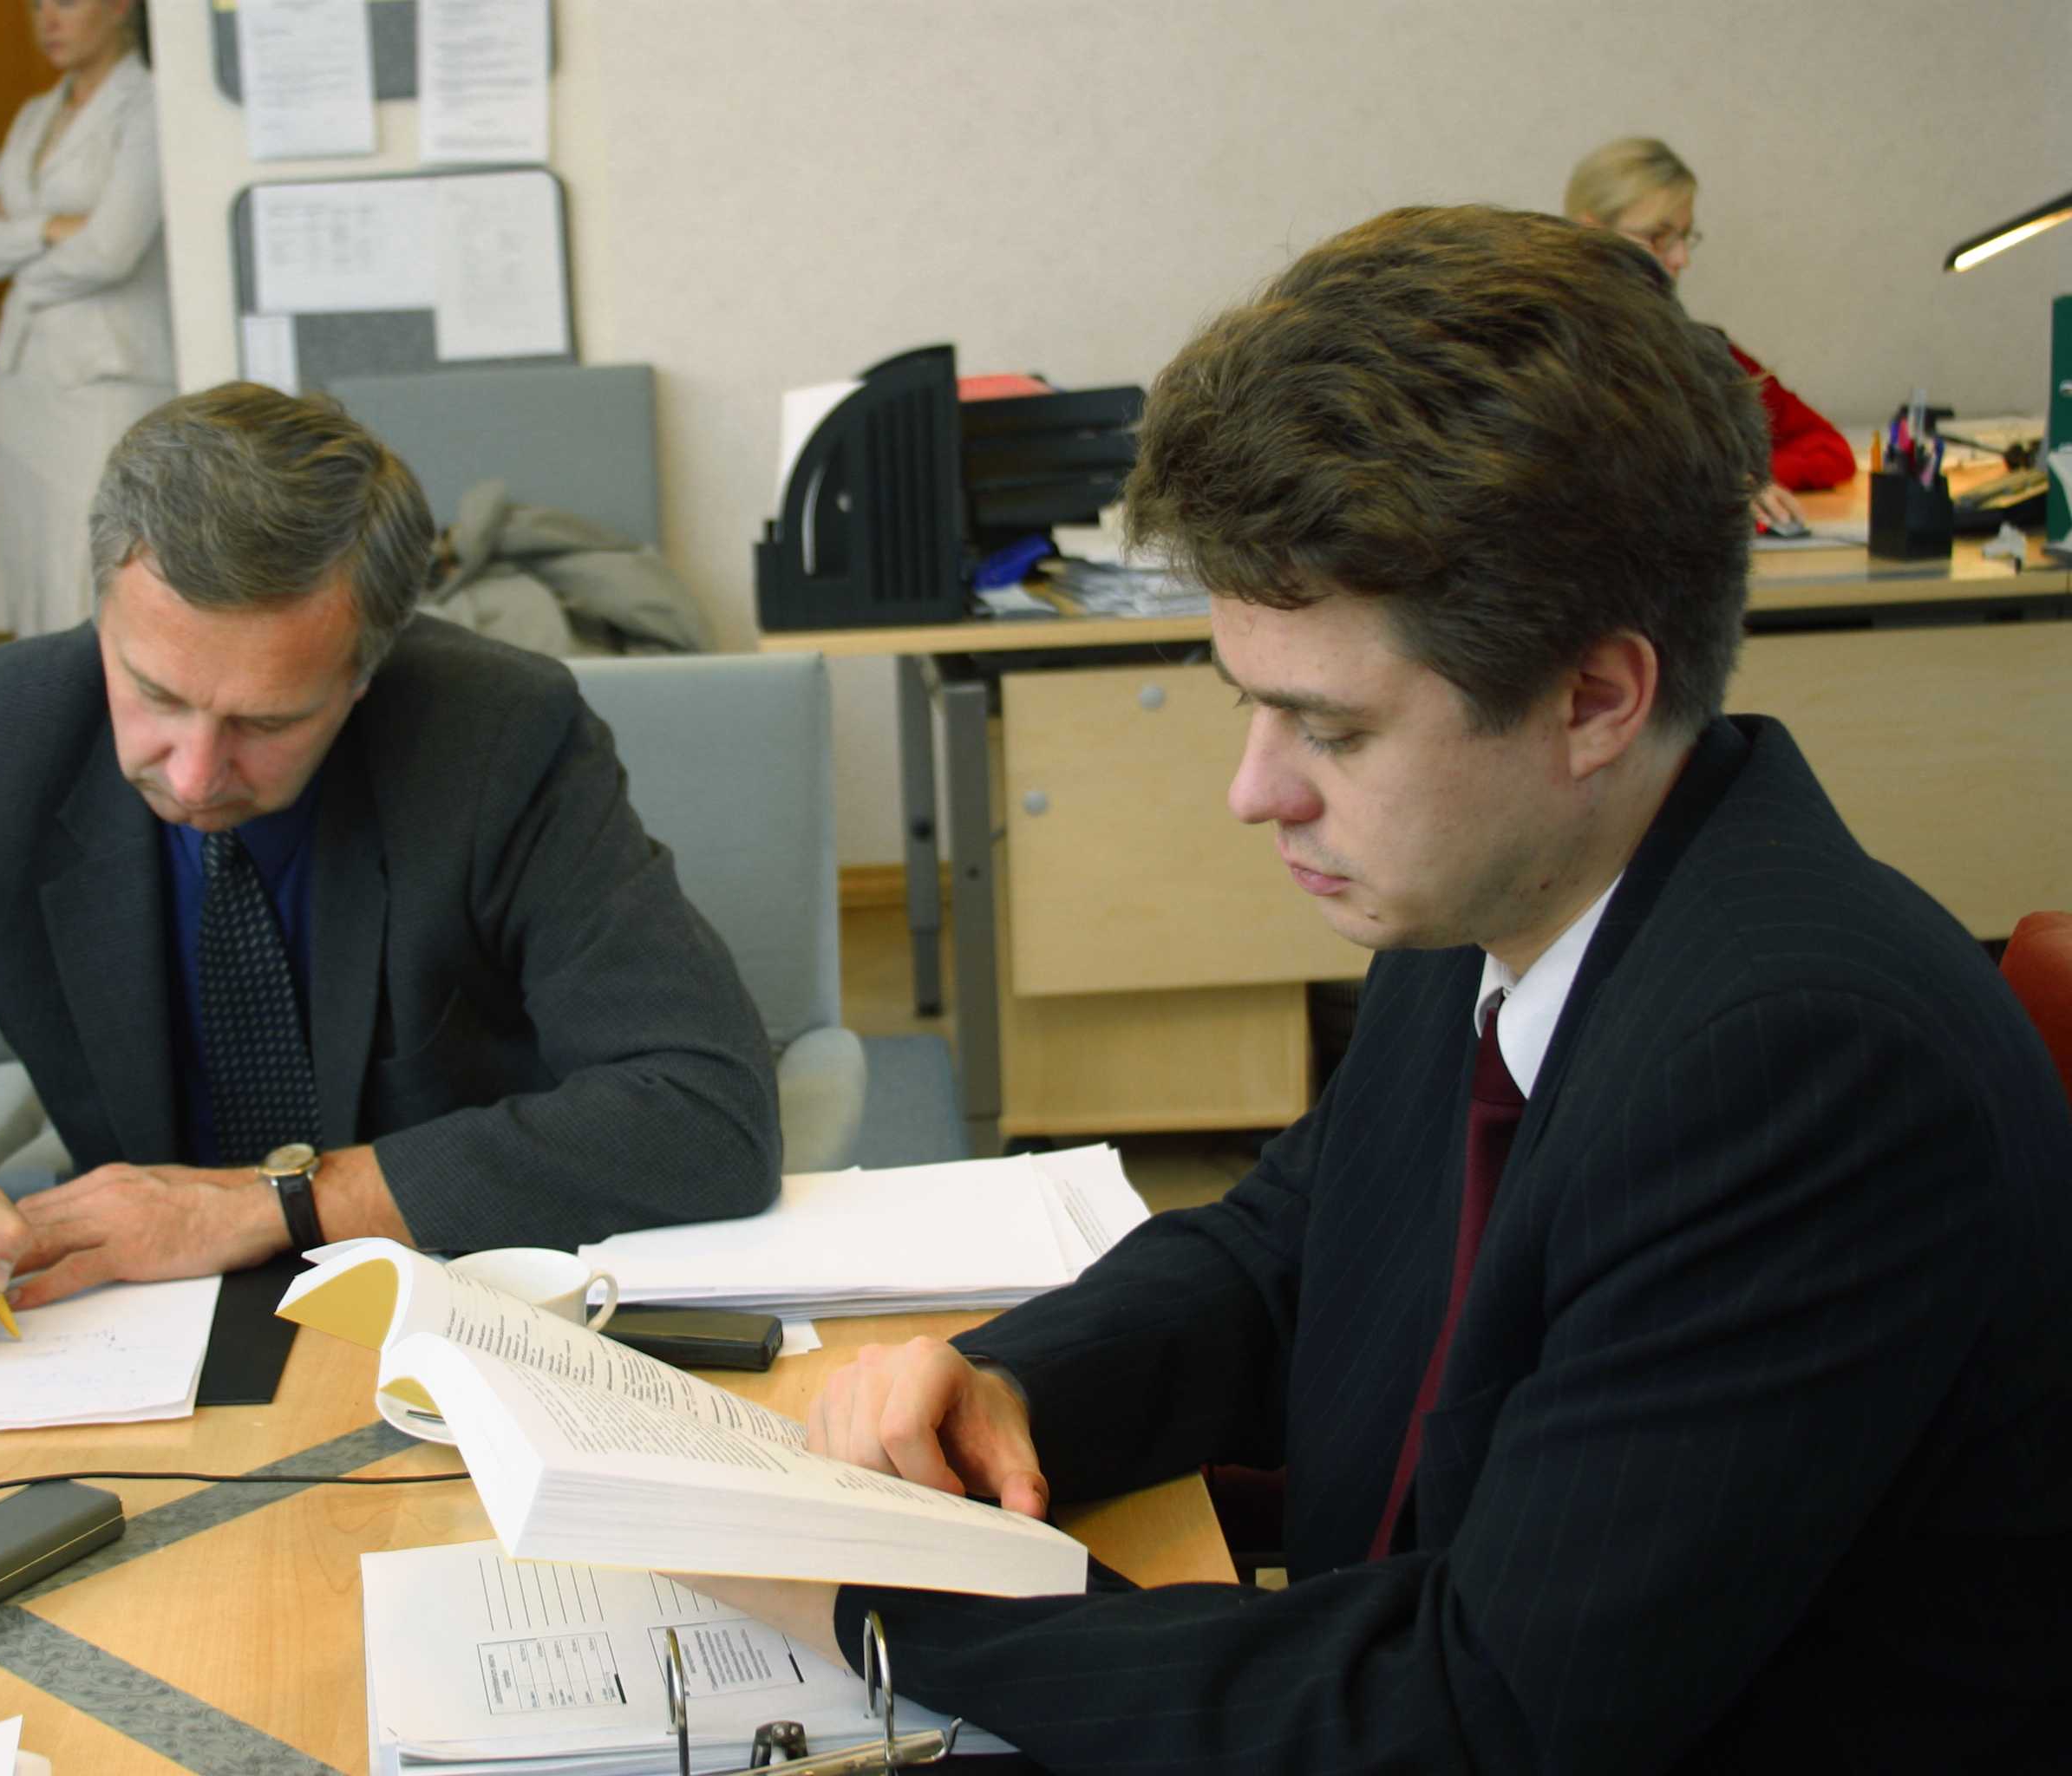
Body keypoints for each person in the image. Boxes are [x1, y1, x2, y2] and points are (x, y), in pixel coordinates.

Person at [692, 207, 2072, 1769]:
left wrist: (886, 1601)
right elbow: (1292, 1246)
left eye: (1331, 730)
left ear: (1594, 698)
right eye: (1250, 706)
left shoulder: (1802, 1067)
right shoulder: (1507, 891)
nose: (1254, 791)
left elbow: (1476, 1715)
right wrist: (1012, 1384)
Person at [0, 384, 780, 1355]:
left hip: (456, 1314)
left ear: (365, 671)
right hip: (136, 1339)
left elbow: (704, 1109)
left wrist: (271, 1204)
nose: (196, 772)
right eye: (156, 694)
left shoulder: (499, 740)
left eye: (267, 720)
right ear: (103, 613)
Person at [0, 0, 174, 638]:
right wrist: (49, 228)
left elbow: (111, 250)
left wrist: (18, 257)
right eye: (39, 2)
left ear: (122, 7)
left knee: (100, 568)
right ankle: (51, 694)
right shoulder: (35, 114)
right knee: (38, 567)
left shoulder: (149, 102)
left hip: (107, 377)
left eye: (68, 1)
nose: (47, 18)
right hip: (24, 376)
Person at [1567, 135, 1854, 532]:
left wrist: (1743, 483)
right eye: (1658, 237)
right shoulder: (1545, 355)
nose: (1681, 258)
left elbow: (1826, 447)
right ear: (1591, 232)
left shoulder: (1703, 351)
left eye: (1684, 237)